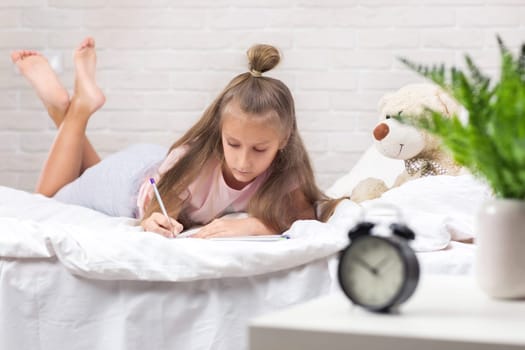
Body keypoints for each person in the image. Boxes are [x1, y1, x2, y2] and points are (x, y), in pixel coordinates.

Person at [11, 37, 343, 239]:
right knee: (45, 199)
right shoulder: (197, 168)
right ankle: (79, 108)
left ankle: (64, 111)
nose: (243, 162)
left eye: (260, 149)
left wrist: (258, 226)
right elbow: (155, 214)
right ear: (219, 133)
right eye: (233, 145)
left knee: (84, 171)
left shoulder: (286, 170)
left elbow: (304, 217)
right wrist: (152, 222)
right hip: (127, 183)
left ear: (284, 140)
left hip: (157, 163)